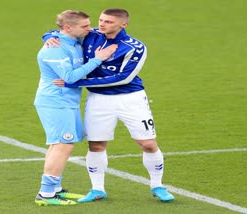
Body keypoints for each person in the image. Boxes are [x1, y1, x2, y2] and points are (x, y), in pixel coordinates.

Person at [43, 8, 174, 203]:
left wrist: (78, 82)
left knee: (147, 143)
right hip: (98, 100)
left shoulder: (134, 47)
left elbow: (123, 78)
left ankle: (157, 185)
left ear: (124, 25)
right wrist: (48, 36)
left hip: (131, 98)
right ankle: (97, 189)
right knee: (96, 145)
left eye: (109, 22)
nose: (102, 24)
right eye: (101, 20)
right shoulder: (91, 35)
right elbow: (66, 31)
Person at [34, 10, 117, 206]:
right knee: (64, 145)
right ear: (69, 28)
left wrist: (48, 35)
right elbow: (70, 78)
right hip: (55, 102)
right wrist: (99, 59)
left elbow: (61, 34)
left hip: (66, 102)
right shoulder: (55, 49)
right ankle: (46, 194)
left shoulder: (74, 41)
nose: (90, 29)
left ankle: (55, 189)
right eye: (85, 26)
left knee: (58, 145)